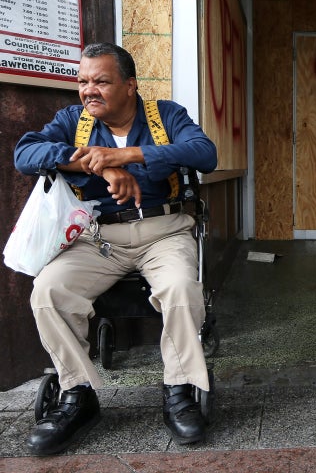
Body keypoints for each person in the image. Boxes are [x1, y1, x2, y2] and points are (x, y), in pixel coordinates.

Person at [14, 43, 217, 454]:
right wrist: (103, 164)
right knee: (49, 291)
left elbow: (204, 153)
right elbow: (25, 152)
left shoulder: (165, 116)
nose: (89, 90)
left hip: (164, 231)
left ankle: (178, 388)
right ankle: (78, 394)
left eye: (101, 81)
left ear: (130, 85)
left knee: (180, 287)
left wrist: (129, 153)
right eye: (83, 81)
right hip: (97, 236)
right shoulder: (74, 120)